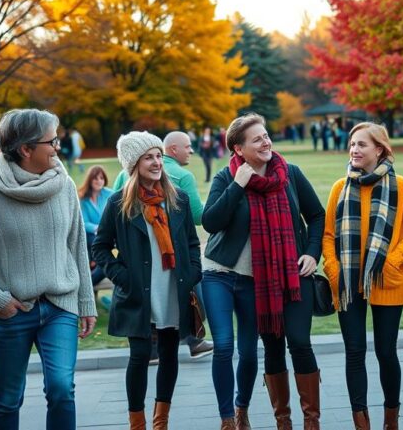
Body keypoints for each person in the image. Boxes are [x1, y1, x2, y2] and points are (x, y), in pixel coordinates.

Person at [0, 109, 98, 430]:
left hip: (61, 306)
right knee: (8, 398)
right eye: (52, 141)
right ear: (26, 149)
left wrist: (86, 303)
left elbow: (76, 245)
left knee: (62, 389)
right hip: (11, 312)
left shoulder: (63, 185)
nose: (58, 147)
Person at [202, 114, 326, 430]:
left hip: (293, 275)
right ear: (239, 149)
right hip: (257, 282)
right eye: (257, 139)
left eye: (266, 136)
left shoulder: (290, 175)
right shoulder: (226, 178)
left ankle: (312, 421)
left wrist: (312, 252)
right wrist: (238, 185)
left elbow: (316, 215)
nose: (266, 142)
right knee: (271, 346)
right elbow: (211, 222)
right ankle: (282, 421)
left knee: (299, 341)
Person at [91, 132, 202, 430]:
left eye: (158, 156)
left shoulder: (178, 199)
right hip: (139, 293)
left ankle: (160, 421)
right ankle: (137, 423)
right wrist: (121, 276)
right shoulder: (119, 204)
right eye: (148, 157)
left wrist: (193, 272)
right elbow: (100, 247)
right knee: (140, 356)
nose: (156, 162)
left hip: (173, 290)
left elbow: (192, 243)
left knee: (169, 354)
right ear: (134, 164)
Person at [322, 122, 403, 430]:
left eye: (361, 145)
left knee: (385, 351)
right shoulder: (339, 187)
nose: (354, 149)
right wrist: (332, 266)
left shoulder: (402, 187)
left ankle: (390, 420)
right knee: (354, 351)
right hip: (347, 283)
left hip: (388, 280)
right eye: (352, 144)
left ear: (379, 149)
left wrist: (393, 260)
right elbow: (328, 235)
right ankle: (361, 422)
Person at [162, 131, 213, 358]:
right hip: (177, 249)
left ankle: (154, 349)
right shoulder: (183, 176)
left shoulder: (129, 172)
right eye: (188, 146)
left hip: (147, 253)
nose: (191, 150)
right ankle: (194, 339)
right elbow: (197, 216)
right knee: (192, 288)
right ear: (173, 149)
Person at [79, 165, 115, 306]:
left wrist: (103, 230)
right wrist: (98, 228)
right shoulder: (83, 198)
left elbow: (113, 218)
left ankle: (84, 287)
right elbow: (84, 222)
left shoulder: (110, 194)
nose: (99, 181)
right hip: (91, 238)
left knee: (104, 258)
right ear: (90, 180)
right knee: (104, 259)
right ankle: (94, 263)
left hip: (108, 237)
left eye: (101, 178)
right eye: (95, 178)